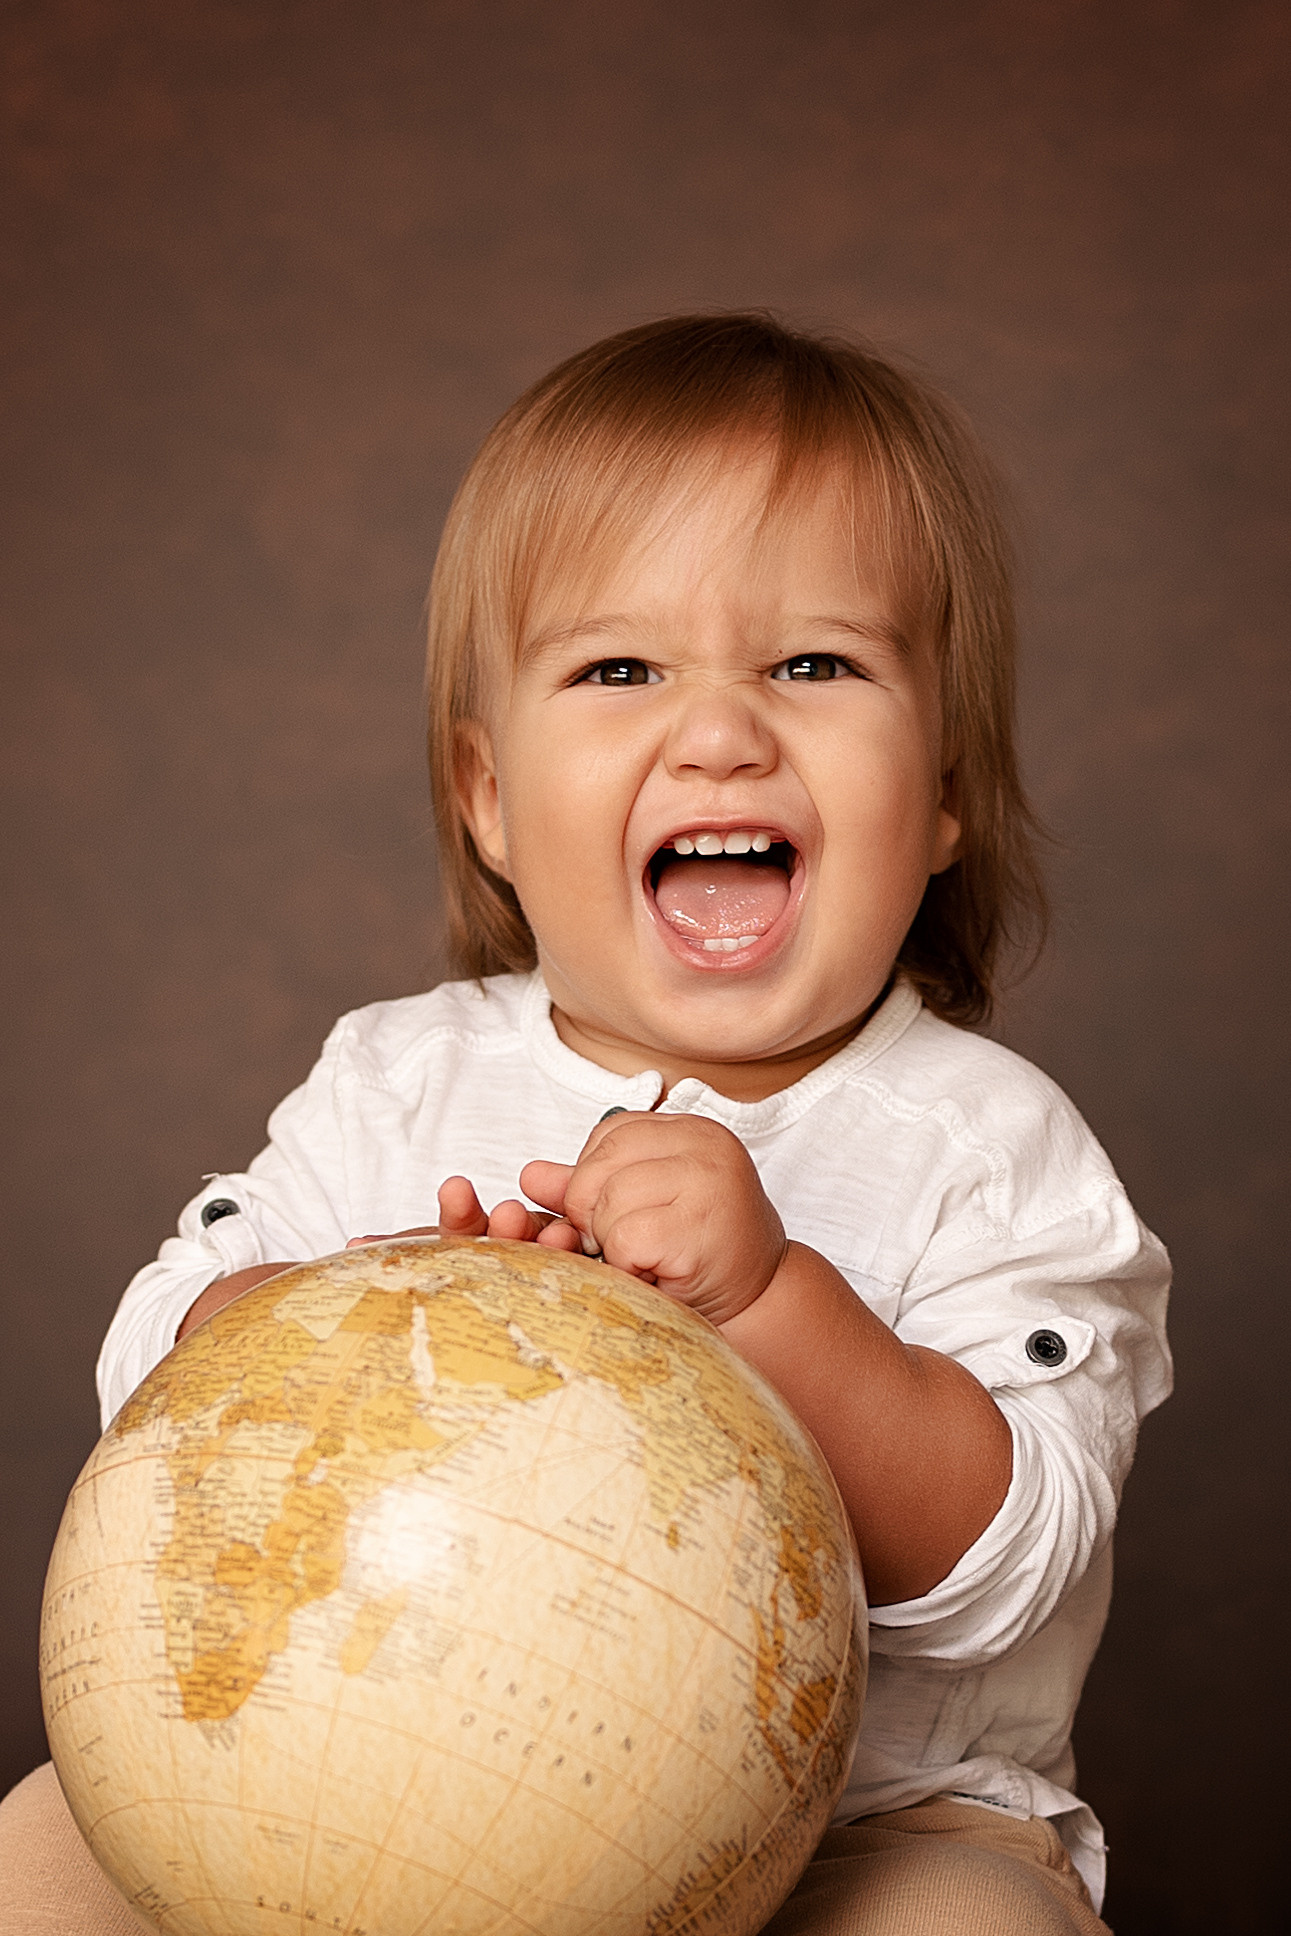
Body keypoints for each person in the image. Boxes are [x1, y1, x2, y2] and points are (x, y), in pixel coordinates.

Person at [0, 314, 1170, 1935]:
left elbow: (1015, 1563)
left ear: (948, 787)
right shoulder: (392, 1081)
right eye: (621, 669)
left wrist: (771, 1310)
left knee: (975, 1927)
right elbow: (149, 1375)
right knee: (42, 1852)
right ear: (486, 795)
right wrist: (363, 1309)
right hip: (343, 1804)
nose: (719, 730)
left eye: (814, 665)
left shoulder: (991, 1143)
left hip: (856, 1839)